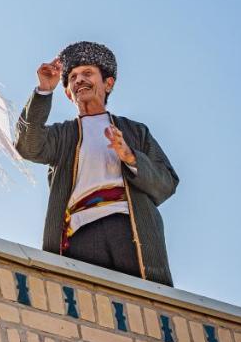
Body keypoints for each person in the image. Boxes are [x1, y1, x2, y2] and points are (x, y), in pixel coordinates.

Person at [14, 41, 179, 285]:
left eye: (87, 73)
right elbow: (28, 146)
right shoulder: (63, 135)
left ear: (108, 83)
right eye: (73, 77)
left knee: (142, 307)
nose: (79, 79)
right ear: (69, 93)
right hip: (80, 234)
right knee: (88, 310)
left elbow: (166, 183)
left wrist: (130, 157)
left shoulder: (134, 131)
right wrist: (44, 90)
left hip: (129, 230)